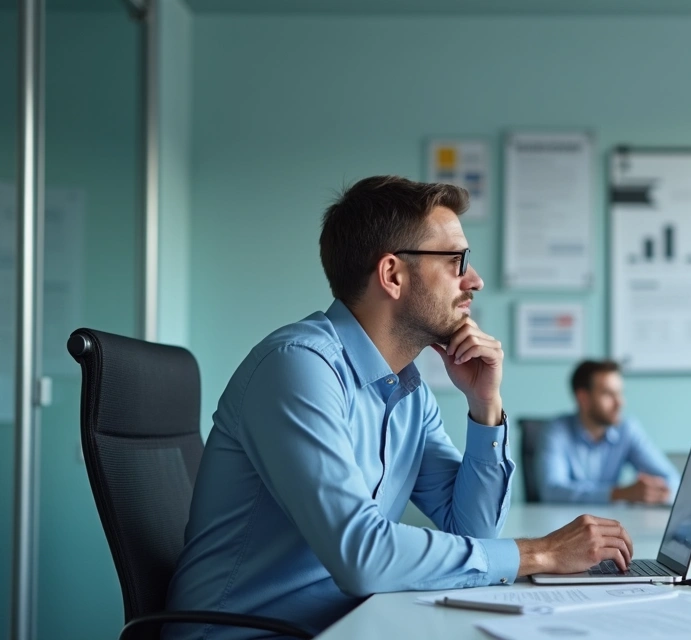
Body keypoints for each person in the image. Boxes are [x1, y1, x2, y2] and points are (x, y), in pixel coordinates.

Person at [165, 177, 634, 640]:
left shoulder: (408, 392)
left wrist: (484, 405)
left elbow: (472, 529)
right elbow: (362, 556)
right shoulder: (298, 369)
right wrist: (544, 554)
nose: (474, 280)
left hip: (344, 623)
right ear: (392, 274)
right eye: (455, 261)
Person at [538, 360, 681, 504]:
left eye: (619, 393)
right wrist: (619, 493)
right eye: (608, 394)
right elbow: (552, 490)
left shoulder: (627, 429)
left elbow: (672, 480)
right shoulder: (556, 431)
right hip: (566, 523)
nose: (620, 402)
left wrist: (656, 492)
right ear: (583, 398)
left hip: (614, 520)